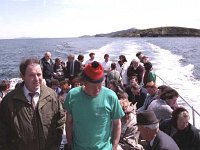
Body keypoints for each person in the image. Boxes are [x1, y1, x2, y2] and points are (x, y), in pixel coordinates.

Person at [0, 58, 65, 150]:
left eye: (39, 74)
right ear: (22, 76)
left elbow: (60, 121)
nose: (36, 79)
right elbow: (3, 132)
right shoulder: (9, 101)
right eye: (31, 75)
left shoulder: (52, 96)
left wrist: (55, 145)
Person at [64, 61, 125, 150]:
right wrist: (69, 144)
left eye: (99, 86)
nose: (97, 90)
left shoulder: (111, 96)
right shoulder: (72, 95)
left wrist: (114, 147)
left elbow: (117, 124)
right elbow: (69, 122)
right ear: (84, 82)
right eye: (93, 87)